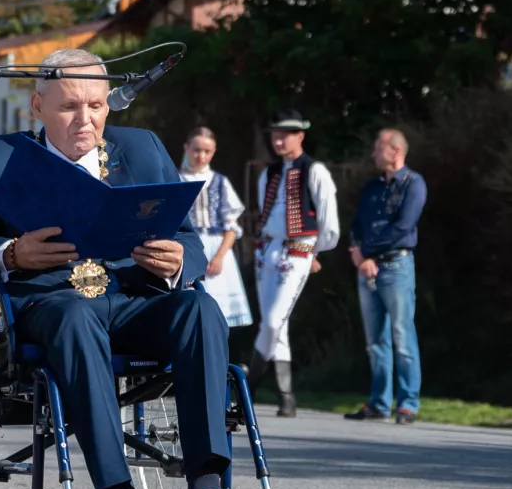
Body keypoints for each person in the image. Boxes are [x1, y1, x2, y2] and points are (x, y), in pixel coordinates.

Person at [0, 48, 267, 489]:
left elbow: (191, 242)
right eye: (69, 107)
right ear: (37, 106)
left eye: (97, 106)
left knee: (200, 309)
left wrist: (179, 260)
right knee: (76, 315)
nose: (85, 119)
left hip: (133, 299)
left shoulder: (143, 150)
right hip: (52, 307)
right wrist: (11, 253)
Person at [248, 109, 340, 418]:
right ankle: (286, 398)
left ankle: (247, 387)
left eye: (284, 134)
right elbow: (264, 210)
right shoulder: (269, 174)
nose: (278, 139)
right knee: (277, 326)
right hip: (268, 250)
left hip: (298, 251)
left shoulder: (315, 170)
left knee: (274, 321)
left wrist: (316, 252)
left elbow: (329, 223)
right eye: (275, 134)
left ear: (300, 135)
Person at [345, 128, 427, 425]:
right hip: (367, 269)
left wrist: (366, 251)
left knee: (402, 336)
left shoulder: (414, 184)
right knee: (375, 340)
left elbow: (403, 227)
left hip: (396, 267)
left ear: (395, 150)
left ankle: (407, 403)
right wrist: (358, 252)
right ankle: (379, 402)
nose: (373, 153)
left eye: (378, 148)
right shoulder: (372, 188)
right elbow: (356, 223)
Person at [178, 127, 252, 328]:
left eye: (207, 151)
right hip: (187, 247)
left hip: (217, 250)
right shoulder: (176, 180)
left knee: (220, 314)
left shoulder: (220, 182)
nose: (201, 156)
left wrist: (219, 256)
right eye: (196, 150)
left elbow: (231, 226)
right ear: (186, 148)